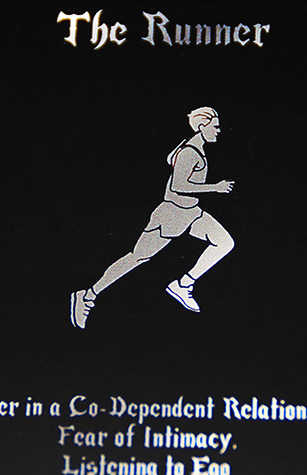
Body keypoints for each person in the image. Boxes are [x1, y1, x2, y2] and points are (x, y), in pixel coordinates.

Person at [71, 107, 234, 329]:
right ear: (202, 127)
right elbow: (178, 185)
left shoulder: (193, 148)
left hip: (190, 213)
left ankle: (183, 285)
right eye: (215, 126)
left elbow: (173, 167)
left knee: (224, 242)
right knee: (137, 257)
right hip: (172, 215)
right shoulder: (190, 152)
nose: (219, 130)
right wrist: (215, 187)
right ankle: (88, 295)